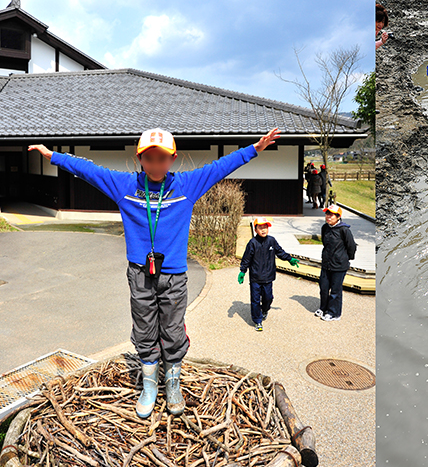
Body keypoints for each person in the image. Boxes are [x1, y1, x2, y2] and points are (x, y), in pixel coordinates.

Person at [28, 126, 282, 418]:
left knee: (173, 330)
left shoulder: (186, 186)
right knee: (144, 327)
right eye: (149, 158)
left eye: (162, 158)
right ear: (140, 158)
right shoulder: (125, 187)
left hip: (173, 275)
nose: (156, 164)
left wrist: (255, 149)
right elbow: (89, 170)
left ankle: (172, 383)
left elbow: (220, 167)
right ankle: (150, 386)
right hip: (140, 274)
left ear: (172, 159)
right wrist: (53, 156)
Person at [238, 217, 300, 331]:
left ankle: (265, 309)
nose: (263, 230)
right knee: (255, 300)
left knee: (268, 298)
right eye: (260, 227)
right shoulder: (252, 243)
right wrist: (242, 271)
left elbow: (280, 252)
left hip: (268, 277)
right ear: (255, 229)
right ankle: (257, 321)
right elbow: (246, 258)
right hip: (255, 278)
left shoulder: (271, 241)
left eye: (265, 227)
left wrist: (289, 259)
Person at [318, 205, 357, 321]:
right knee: (324, 288)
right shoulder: (325, 227)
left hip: (339, 265)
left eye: (331, 215)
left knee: (335, 290)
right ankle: (323, 308)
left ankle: (334, 313)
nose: (328, 217)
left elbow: (352, 246)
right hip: (326, 263)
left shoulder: (344, 230)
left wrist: (345, 258)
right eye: (327, 214)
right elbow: (324, 243)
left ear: (338, 216)